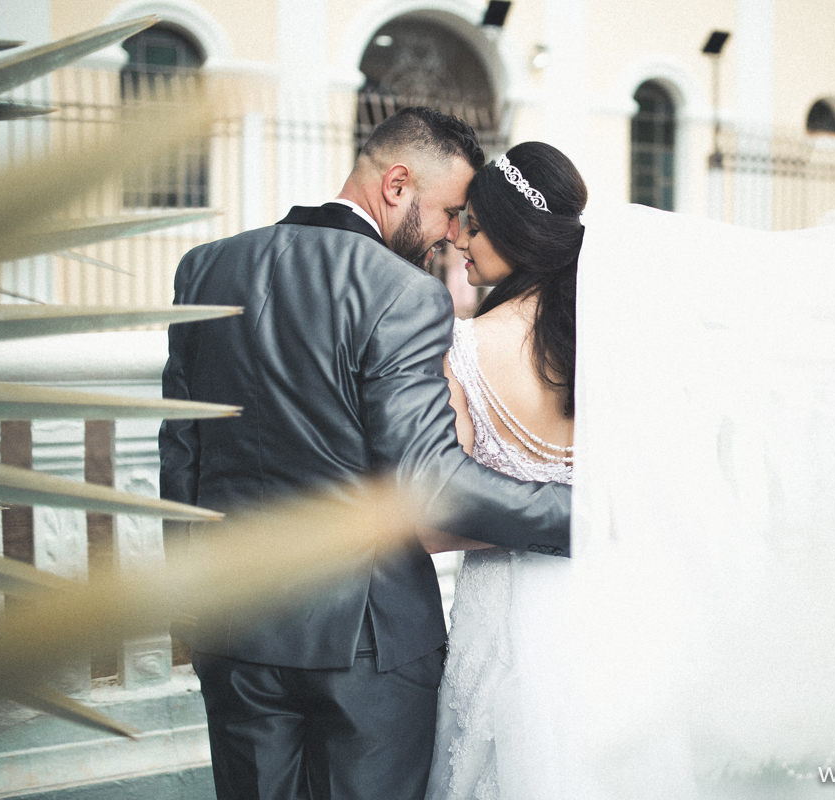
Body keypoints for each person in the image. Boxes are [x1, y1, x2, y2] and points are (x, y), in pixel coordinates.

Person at [158, 109, 571, 800]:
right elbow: (432, 484)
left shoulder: (205, 268)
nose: (450, 235)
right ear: (398, 184)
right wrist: (579, 512)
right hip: (369, 646)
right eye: (448, 212)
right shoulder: (405, 294)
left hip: (232, 627)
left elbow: (181, 453)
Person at [419, 142, 585, 800]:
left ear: (515, 231)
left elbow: (437, 516)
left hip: (505, 622)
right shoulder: (620, 343)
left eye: (474, 224)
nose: (458, 238)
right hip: (605, 604)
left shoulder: (463, 348)